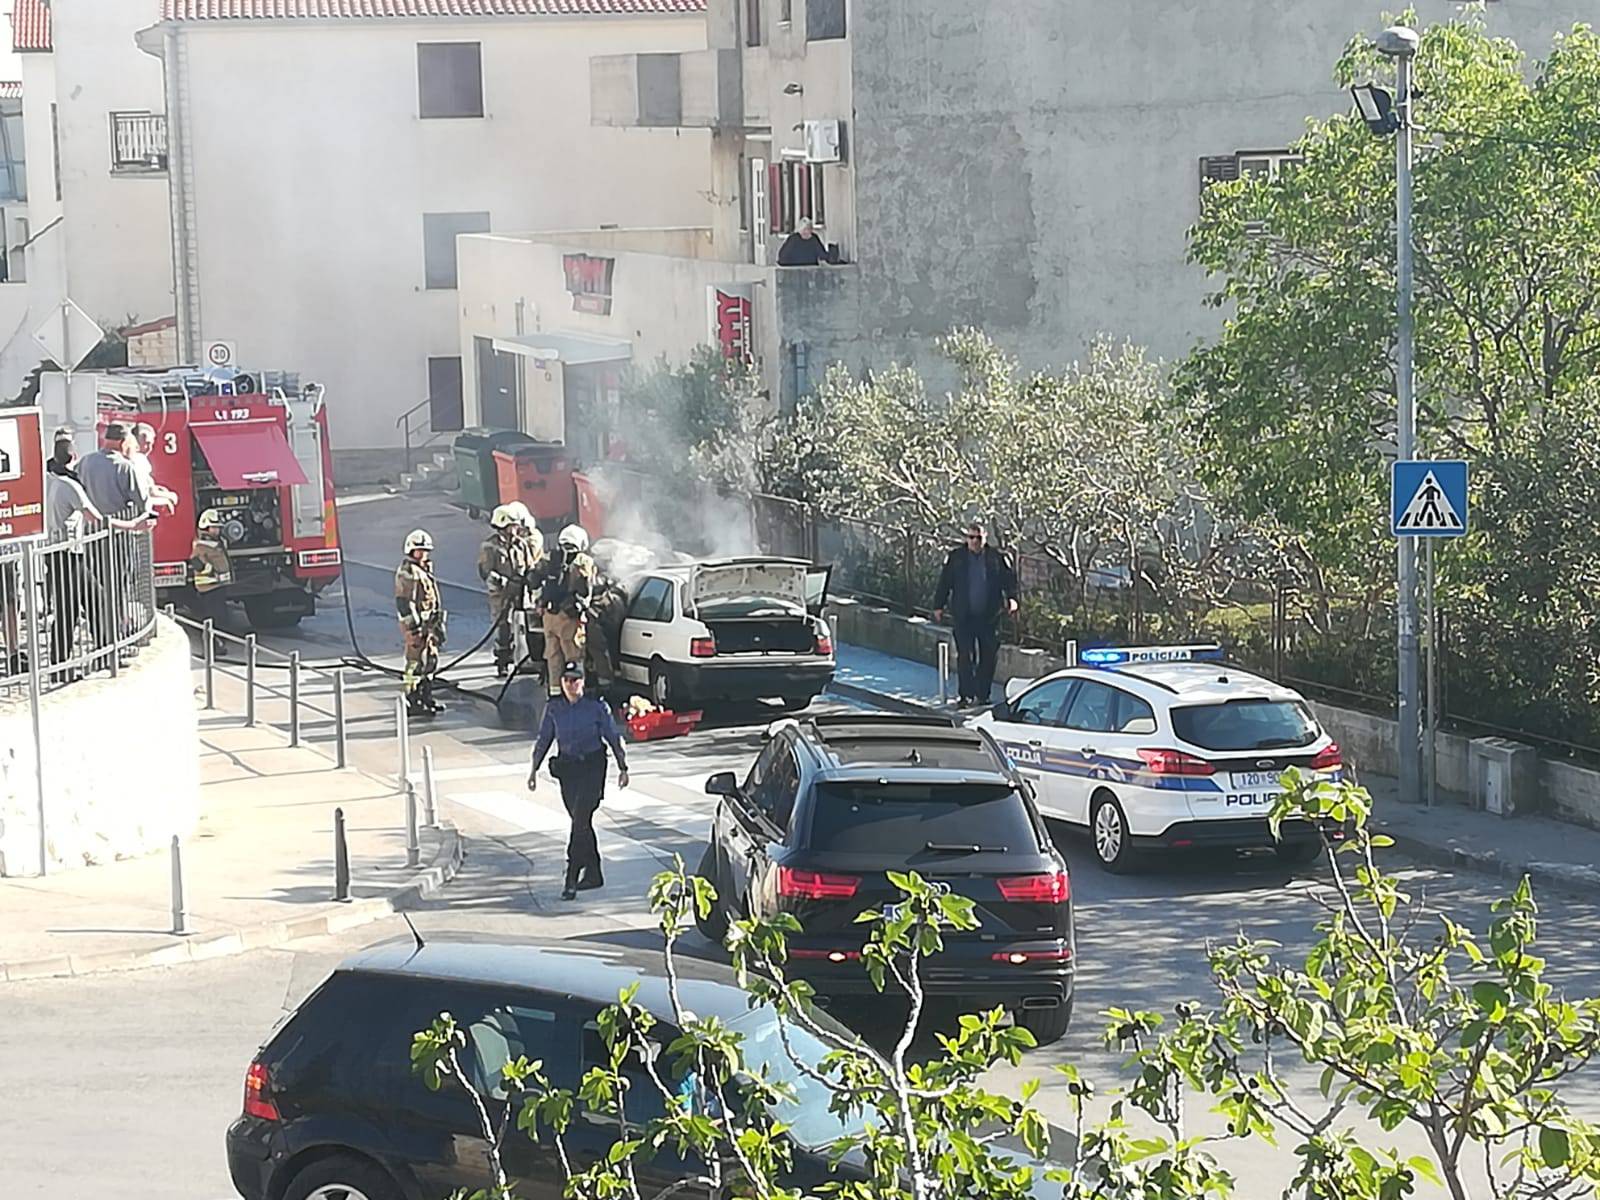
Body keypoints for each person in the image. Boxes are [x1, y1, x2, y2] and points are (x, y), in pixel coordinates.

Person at [527, 660, 630, 900]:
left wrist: (623, 767)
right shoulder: (554, 708)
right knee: (580, 821)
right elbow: (544, 739)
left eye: (575, 680)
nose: (571, 685)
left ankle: (571, 876)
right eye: (566, 680)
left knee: (581, 819)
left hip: (593, 768)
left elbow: (613, 737)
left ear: (583, 682)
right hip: (568, 771)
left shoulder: (596, 707)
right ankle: (594, 872)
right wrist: (533, 769)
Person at [44, 454, 150, 666]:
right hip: (68, 555)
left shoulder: (49, 483)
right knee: (79, 607)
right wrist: (133, 525)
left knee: (87, 602)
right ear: (72, 460)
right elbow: (98, 519)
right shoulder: (70, 486)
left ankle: (102, 654)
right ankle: (74, 662)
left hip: (60, 553)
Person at [932, 520, 1019, 708]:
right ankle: (966, 695)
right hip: (964, 616)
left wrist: (1012, 599)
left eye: (978, 538)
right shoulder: (956, 558)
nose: (974, 542)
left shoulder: (996, 558)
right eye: (971, 537)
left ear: (985, 538)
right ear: (966, 538)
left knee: (988, 656)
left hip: (989, 617)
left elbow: (1009, 581)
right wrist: (938, 605)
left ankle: (983, 694)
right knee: (965, 656)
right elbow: (945, 582)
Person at [539, 523, 596, 699]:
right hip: (568, 617)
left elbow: (535, 578)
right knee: (574, 656)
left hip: (549, 616)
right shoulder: (583, 561)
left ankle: (555, 692)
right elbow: (586, 588)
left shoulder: (550, 557)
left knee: (553, 657)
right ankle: (576, 695)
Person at [478, 504, 535, 677]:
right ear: (503, 525)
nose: (516, 529)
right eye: (513, 525)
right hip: (501, 595)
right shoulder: (489, 547)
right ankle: (503, 661)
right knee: (503, 627)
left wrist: (531, 580)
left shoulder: (521, 545)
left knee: (524, 625)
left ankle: (523, 659)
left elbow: (530, 566)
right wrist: (505, 583)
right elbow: (485, 573)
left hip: (521, 592)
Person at [395, 528, 446, 717]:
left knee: (431, 660)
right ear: (411, 551)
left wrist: (437, 624)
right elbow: (404, 603)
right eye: (419, 550)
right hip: (417, 626)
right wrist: (414, 628)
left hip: (429, 624)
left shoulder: (424, 569)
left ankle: (426, 696)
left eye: (425, 550)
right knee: (414, 663)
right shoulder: (408, 572)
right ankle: (411, 699)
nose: (423, 553)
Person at [188, 508, 234, 634]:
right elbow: (198, 565)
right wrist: (214, 574)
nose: (217, 530)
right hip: (209, 588)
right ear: (205, 528)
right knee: (215, 618)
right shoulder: (201, 546)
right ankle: (215, 644)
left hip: (217, 587)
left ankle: (219, 641)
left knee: (221, 617)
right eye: (214, 527)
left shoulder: (214, 543)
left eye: (218, 527)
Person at [131, 423, 179, 513]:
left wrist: (159, 489)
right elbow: (150, 492)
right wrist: (171, 496)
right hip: (139, 513)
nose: (149, 448)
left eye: (152, 444)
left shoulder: (129, 458)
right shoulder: (138, 459)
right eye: (146, 443)